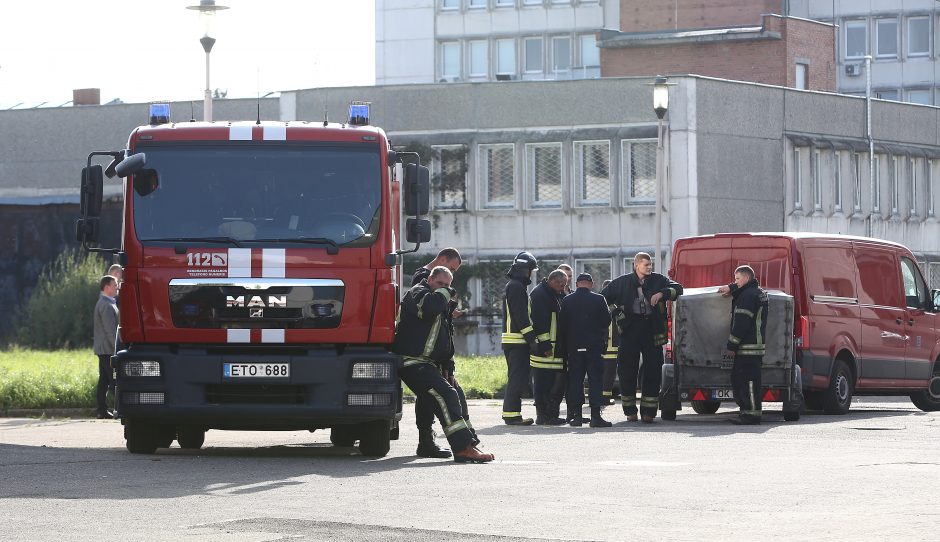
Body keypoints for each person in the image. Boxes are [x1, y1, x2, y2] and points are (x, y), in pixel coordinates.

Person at [393, 266, 494, 463]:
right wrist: (446, 294)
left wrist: (448, 366)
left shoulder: (441, 301)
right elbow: (429, 309)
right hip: (411, 360)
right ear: (430, 280)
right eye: (440, 284)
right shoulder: (417, 293)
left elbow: (445, 336)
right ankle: (463, 447)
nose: (445, 288)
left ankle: (435, 444)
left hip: (430, 363)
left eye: (448, 285)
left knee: (454, 392)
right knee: (445, 394)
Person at [602, 252, 683, 423]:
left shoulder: (659, 280)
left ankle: (649, 412)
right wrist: (617, 313)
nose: (649, 267)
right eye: (646, 264)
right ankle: (630, 410)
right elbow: (603, 298)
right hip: (630, 330)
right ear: (636, 265)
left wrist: (662, 294)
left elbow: (678, 289)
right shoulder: (622, 282)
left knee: (653, 370)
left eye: (650, 264)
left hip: (652, 330)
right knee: (627, 370)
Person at [411, 248, 464, 458]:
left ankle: (431, 439)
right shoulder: (424, 278)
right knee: (432, 395)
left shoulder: (428, 278)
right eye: (451, 268)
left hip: (433, 352)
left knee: (432, 395)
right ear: (441, 260)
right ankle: (428, 440)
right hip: (426, 353)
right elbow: (431, 310)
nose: (447, 283)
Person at [557, 273, 612, 427]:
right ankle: (595, 417)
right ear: (591, 284)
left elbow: (562, 325)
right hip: (594, 347)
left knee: (575, 381)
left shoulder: (567, 300)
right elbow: (607, 320)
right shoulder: (599, 299)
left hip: (574, 348)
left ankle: (577, 417)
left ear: (576, 284)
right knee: (595, 381)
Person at [718, 265, 769, 425]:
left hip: (747, 348)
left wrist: (731, 345)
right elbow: (743, 288)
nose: (736, 282)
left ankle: (751, 415)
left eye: (737, 279)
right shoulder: (757, 292)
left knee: (747, 383)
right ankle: (747, 412)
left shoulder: (747, 297)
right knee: (747, 381)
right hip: (754, 347)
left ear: (746, 278)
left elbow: (741, 323)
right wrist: (732, 287)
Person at [501, 251, 539, 426]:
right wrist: (532, 339)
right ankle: (512, 415)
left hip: (515, 340)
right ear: (526, 270)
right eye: (531, 270)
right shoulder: (516, 287)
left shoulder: (515, 285)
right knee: (517, 378)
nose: (531, 273)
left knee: (517, 377)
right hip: (517, 341)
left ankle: (512, 413)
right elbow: (521, 316)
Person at [528, 269, 568, 425]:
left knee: (554, 383)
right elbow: (540, 323)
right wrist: (545, 345)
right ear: (554, 281)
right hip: (546, 349)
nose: (563, 288)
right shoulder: (541, 295)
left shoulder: (551, 293)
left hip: (553, 348)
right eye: (562, 284)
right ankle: (545, 416)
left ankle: (550, 415)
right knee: (544, 384)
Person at [93, 275, 120, 419]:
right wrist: (117, 349)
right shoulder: (107, 305)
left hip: (103, 349)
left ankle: (101, 410)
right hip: (108, 350)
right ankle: (121, 408)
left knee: (103, 381)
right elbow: (111, 331)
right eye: (115, 285)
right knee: (114, 380)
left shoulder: (105, 302)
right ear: (107, 287)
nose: (117, 287)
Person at [601, 279, 620, 406]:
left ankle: (600, 397)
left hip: (602, 345)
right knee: (609, 374)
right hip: (611, 346)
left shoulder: (597, 302)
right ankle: (605, 398)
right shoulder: (614, 305)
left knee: (601, 373)